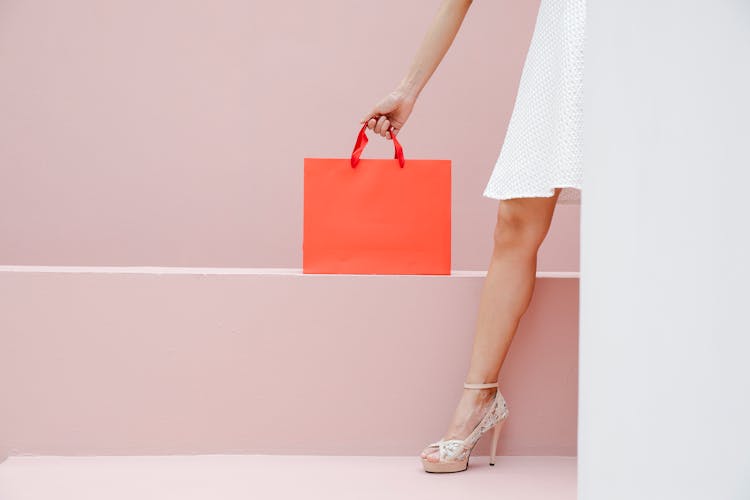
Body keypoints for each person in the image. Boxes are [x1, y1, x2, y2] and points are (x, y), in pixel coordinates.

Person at [361, 0, 585, 473]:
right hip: (568, 47)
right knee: (515, 222)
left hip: (654, 47)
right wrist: (408, 89)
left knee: (644, 221)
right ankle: (479, 400)